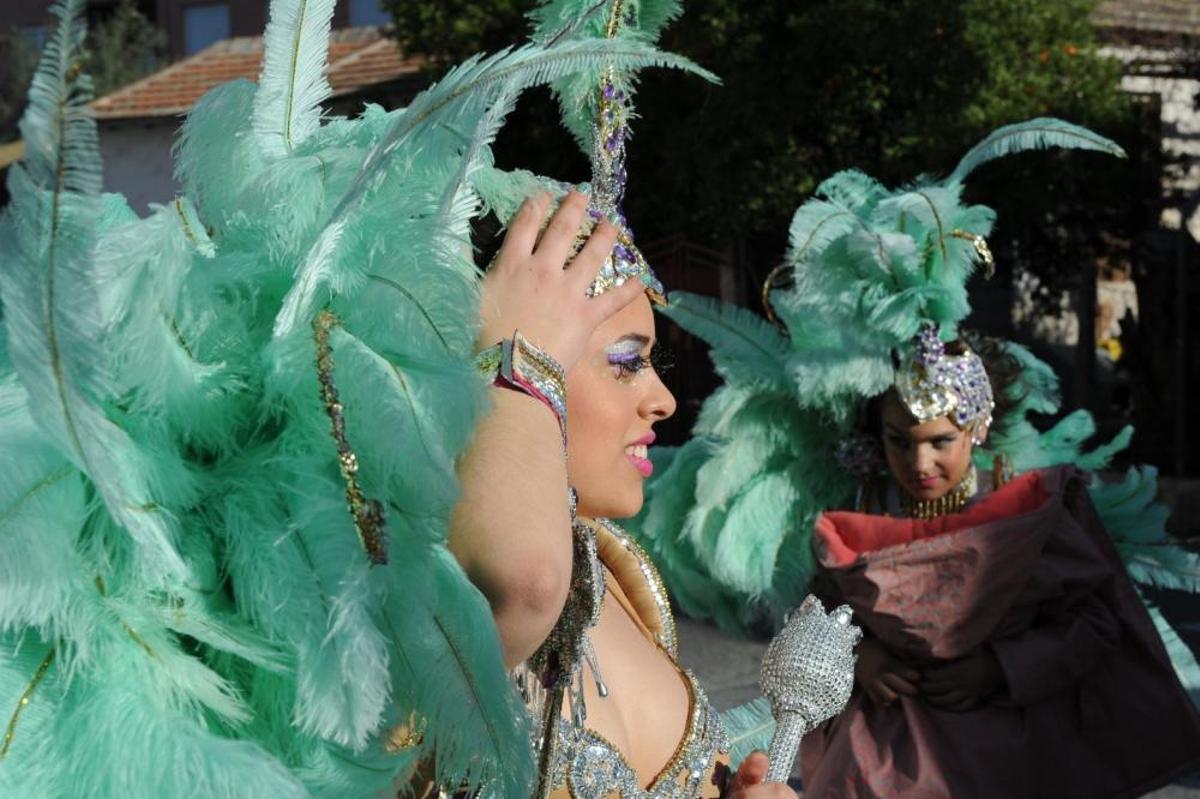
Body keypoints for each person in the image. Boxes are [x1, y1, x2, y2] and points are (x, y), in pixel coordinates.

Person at [799, 328, 1200, 797]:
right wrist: (860, 657)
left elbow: (1094, 624)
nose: (920, 463)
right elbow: (815, 616)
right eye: (899, 441)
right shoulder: (857, 511)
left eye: (941, 441)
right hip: (880, 756)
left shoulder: (1022, 511)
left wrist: (1001, 668)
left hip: (1007, 750)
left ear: (977, 428)